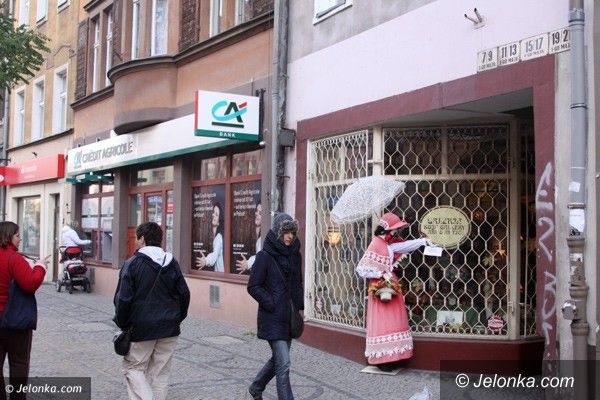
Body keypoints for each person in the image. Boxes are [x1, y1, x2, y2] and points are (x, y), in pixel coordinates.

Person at [113, 222, 190, 400]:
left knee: (133, 368)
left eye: (137, 238)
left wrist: (123, 324)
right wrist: (176, 319)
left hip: (141, 328)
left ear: (142, 239)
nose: (136, 241)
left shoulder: (132, 264)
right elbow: (184, 294)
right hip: (169, 327)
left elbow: (123, 299)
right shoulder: (172, 263)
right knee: (160, 374)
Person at [356, 212, 431, 367]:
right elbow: (361, 269)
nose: (397, 231)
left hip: (391, 286)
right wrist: (381, 273)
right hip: (380, 288)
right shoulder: (376, 243)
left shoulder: (388, 244)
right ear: (388, 229)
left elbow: (404, 246)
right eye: (395, 229)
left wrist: (423, 241)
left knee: (395, 321)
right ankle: (383, 360)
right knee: (383, 321)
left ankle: (395, 356)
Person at [247, 213, 303, 400]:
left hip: (289, 317)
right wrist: (270, 302)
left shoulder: (295, 255)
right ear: (278, 232)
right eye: (286, 232)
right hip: (272, 317)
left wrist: (299, 307)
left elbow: (297, 284)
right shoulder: (264, 256)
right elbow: (253, 286)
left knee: (278, 359)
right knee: (284, 363)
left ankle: (256, 387)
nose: (290, 236)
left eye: (292, 233)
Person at [0, 221, 47, 400]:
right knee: (18, 362)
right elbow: (30, 283)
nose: (20, 239)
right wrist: (40, 266)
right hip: (13, 318)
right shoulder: (14, 258)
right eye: (18, 235)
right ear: (8, 236)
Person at [195, 202, 224, 272]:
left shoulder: (218, 237)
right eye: (213, 212)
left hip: (219, 275)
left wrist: (206, 261)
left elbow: (214, 255)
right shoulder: (212, 236)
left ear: (219, 222)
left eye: (216, 214)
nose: (213, 215)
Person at [236, 202, 262, 274]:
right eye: (256, 211)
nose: (257, 213)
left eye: (260, 213)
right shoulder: (249, 232)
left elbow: (260, 256)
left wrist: (248, 263)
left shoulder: (263, 237)